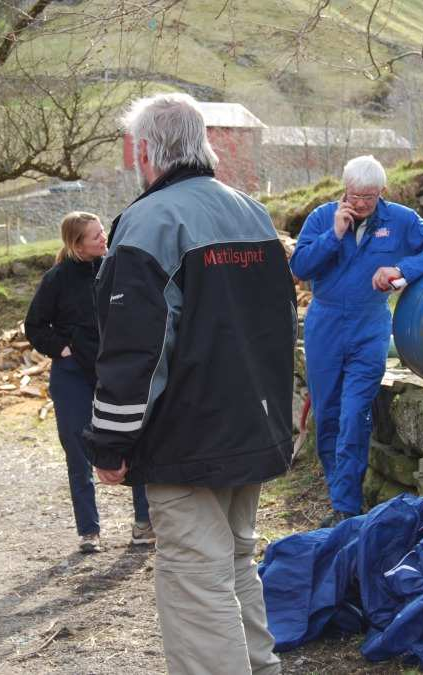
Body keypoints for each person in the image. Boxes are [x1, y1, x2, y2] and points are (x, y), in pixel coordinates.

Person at [84, 93, 295, 675]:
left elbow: (135, 350)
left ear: (146, 151)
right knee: (235, 562)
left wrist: (110, 442)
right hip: (254, 427)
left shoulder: (148, 223)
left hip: (188, 438)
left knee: (196, 581)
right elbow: (281, 329)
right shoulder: (252, 213)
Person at [290, 155, 423, 527]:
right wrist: (333, 235)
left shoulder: (400, 220)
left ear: (382, 191)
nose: (361, 203)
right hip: (325, 326)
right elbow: (299, 268)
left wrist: (401, 270)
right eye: (354, 196)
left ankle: (347, 506)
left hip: (370, 327)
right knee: (329, 415)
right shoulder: (321, 217)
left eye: (369, 196)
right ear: (343, 191)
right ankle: (340, 500)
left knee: (354, 416)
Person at [25, 211, 154, 554]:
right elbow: (35, 326)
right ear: (76, 243)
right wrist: (62, 349)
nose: (103, 239)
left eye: (102, 233)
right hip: (72, 376)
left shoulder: (117, 270)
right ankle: (88, 530)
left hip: (117, 371)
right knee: (77, 447)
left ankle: (144, 523)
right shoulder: (57, 278)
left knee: (134, 437)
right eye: (95, 236)